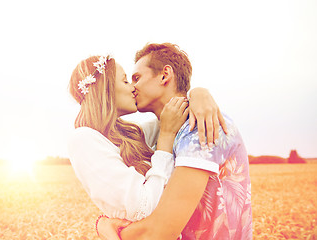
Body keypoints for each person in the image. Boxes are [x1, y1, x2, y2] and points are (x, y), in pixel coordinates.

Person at [99, 43, 252, 239]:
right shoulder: (162, 135)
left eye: (137, 78)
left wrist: (107, 227)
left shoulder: (201, 126)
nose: (132, 87)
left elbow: (160, 231)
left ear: (164, 75)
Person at [67, 53, 226, 238]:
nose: (133, 88)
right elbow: (145, 209)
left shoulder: (129, 134)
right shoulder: (83, 138)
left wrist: (199, 93)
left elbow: (171, 112)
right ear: (106, 89)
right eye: (125, 81)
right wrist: (165, 138)